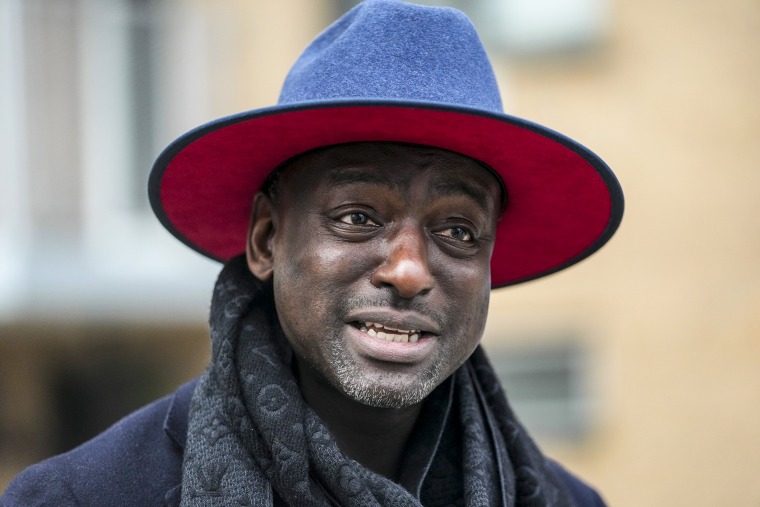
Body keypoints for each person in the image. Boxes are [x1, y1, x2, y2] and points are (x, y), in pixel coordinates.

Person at [1, 1, 623, 505]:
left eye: (458, 231)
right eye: (357, 217)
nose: (408, 271)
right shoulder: (82, 497)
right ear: (267, 239)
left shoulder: (567, 501)